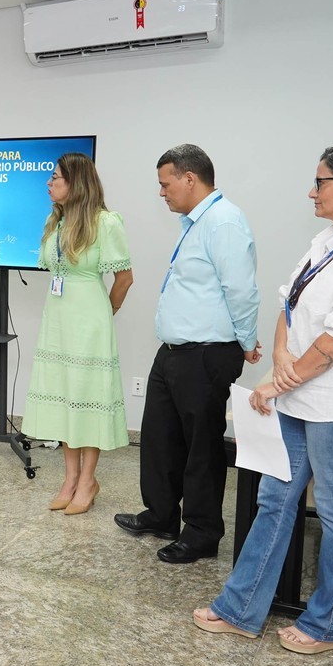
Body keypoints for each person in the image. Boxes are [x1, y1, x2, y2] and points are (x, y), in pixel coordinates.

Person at [194, 142, 333, 653]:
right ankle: (241, 609)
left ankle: (327, 624)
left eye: (321, 181)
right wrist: (278, 356)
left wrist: (277, 381)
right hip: (299, 398)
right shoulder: (326, 241)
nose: (311, 191)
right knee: (274, 500)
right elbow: (288, 305)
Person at [114, 144, 261, 563]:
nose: (162, 193)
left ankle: (201, 533)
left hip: (207, 354)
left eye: (165, 184)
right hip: (176, 351)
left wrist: (247, 342)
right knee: (160, 438)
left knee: (201, 448)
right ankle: (161, 515)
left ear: (190, 178)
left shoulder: (224, 222)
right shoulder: (194, 222)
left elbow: (242, 290)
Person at [22, 153, 133, 515]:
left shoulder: (106, 222)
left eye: (55, 177)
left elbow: (124, 278)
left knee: (87, 397)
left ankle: (88, 480)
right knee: (64, 397)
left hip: (90, 322)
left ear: (76, 182)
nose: (49, 183)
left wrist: (107, 312)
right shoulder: (56, 222)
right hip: (58, 320)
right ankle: (69, 479)